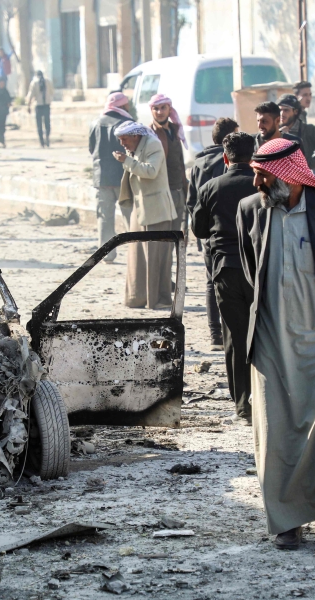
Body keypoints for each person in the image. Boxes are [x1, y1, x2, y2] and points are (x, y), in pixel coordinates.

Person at [236, 138, 315, 550]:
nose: (256, 181)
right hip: (273, 337)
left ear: (288, 174)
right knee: (277, 429)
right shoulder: (250, 211)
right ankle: (287, 518)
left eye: (263, 174)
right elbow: (248, 267)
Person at [191, 131, 258, 421]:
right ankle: (268, 398)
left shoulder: (211, 187)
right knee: (265, 335)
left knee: (234, 337)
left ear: (225, 157)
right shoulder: (262, 185)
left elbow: (200, 230)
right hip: (259, 270)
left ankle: (242, 404)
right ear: (253, 155)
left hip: (226, 269)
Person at [188, 117, 240, 351]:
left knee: (210, 281)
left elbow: (191, 202)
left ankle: (215, 335)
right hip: (230, 230)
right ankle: (232, 333)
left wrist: (203, 226)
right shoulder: (230, 162)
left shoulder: (198, 164)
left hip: (208, 232)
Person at [115, 121, 177, 309]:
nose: (122, 144)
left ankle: (158, 299)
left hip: (156, 210)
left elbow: (150, 171)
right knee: (138, 255)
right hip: (140, 208)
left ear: (135, 136)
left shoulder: (153, 145)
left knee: (155, 256)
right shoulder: (136, 146)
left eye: (124, 139)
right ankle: (138, 297)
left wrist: (126, 161)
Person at [89, 92, 133, 263]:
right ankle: (135, 253)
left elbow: (91, 149)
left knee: (105, 218)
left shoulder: (95, 124)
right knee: (131, 218)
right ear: (122, 106)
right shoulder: (128, 124)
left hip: (102, 178)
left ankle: (107, 255)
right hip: (123, 178)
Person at [148, 94, 189, 235]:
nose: (159, 112)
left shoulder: (176, 130)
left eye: (163, 108)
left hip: (178, 190)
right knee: (163, 236)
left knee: (177, 234)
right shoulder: (150, 134)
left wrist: (185, 187)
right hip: (162, 192)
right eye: (156, 108)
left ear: (169, 109)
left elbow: (179, 161)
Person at [277, 94, 315, 172]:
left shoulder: (308, 130)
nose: (282, 114)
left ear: (295, 111)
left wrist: (311, 163)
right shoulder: (274, 129)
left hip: (300, 178)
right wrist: (279, 136)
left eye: (286, 110)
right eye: (280, 110)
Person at [26, 70, 54, 148]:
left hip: (38, 105)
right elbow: (52, 92)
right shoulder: (48, 81)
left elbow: (30, 95)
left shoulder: (34, 83)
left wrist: (28, 106)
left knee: (39, 125)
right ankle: (47, 137)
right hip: (46, 105)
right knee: (47, 123)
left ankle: (41, 142)